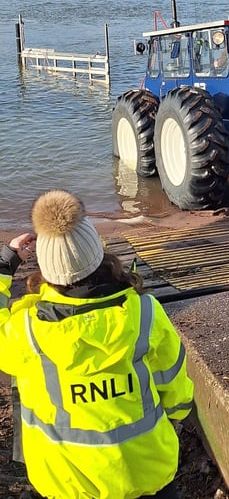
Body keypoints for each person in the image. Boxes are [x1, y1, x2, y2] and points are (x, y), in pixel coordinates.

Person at [0, 189, 194, 499]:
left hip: (66, 485)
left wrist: (4, 265)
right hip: (147, 474)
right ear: (99, 255)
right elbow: (175, 388)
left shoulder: (28, 332)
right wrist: (176, 416)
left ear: (47, 270)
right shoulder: (145, 313)